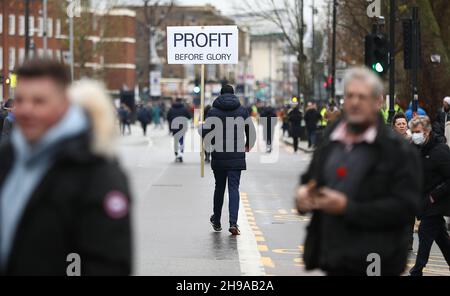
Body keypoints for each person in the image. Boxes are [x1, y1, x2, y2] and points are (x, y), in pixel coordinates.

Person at [0, 59, 132, 275]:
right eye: (20, 100)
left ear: (63, 105)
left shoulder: (97, 174)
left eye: (39, 101)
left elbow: (108, 264)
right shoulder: (8, 157)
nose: (26, 109)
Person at [295, 67, 422, 276]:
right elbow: (310, 179)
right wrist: (302, 196)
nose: (354, 102)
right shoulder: (332, 139)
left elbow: (405, 206)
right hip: (334, 256)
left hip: (376, 259)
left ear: (377, 102)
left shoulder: (398, 150)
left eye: (362, 97)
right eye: (350, 95)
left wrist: (347, 207)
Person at [201, 85, 256, 235]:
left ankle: (217, 220)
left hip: (219, 155)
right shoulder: (242, 111)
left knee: (219, 187)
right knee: (233, 188)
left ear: (220, 94)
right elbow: (251, 131)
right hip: (236, 156)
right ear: (233, 94)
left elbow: (205, 133)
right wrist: (248, 145)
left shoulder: (213, 111)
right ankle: (233, 222)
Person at [408, 116, 450, 276]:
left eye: (417, 132)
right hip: (424, 202)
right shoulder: (417, 149)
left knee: (425, 233)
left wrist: (434, 196)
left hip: (436, 203)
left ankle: (416, 271)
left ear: (427, 132)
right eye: (412, 132)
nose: (414, 135)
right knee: (442, 239)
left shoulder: (440, 151)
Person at [167, 98, 192, 163]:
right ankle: (180, 155)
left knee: (175, 141)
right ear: (181, 102)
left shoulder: (171, 109)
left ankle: (176, 154)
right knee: (181, 141)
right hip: (182, 127)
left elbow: (168, 117)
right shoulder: (184, 109)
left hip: (174, 127)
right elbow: (189, 117)